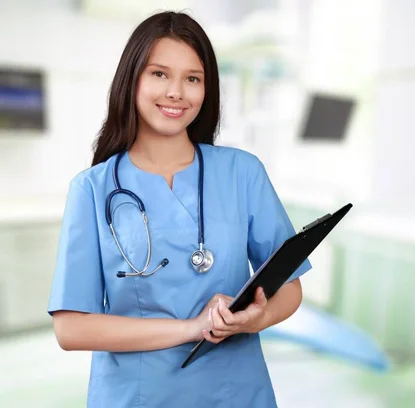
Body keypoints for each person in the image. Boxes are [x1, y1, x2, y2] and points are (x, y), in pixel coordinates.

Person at [47, 10, 311, 408]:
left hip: (236, 391)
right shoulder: (92, 189)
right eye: (159, 74)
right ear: (131, 80)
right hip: (138, 395)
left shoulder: (242, 172)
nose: (176, 92)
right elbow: (71, 329)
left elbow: (289, 286)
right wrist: (193, 328)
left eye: (193, 78)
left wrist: (257, 318)